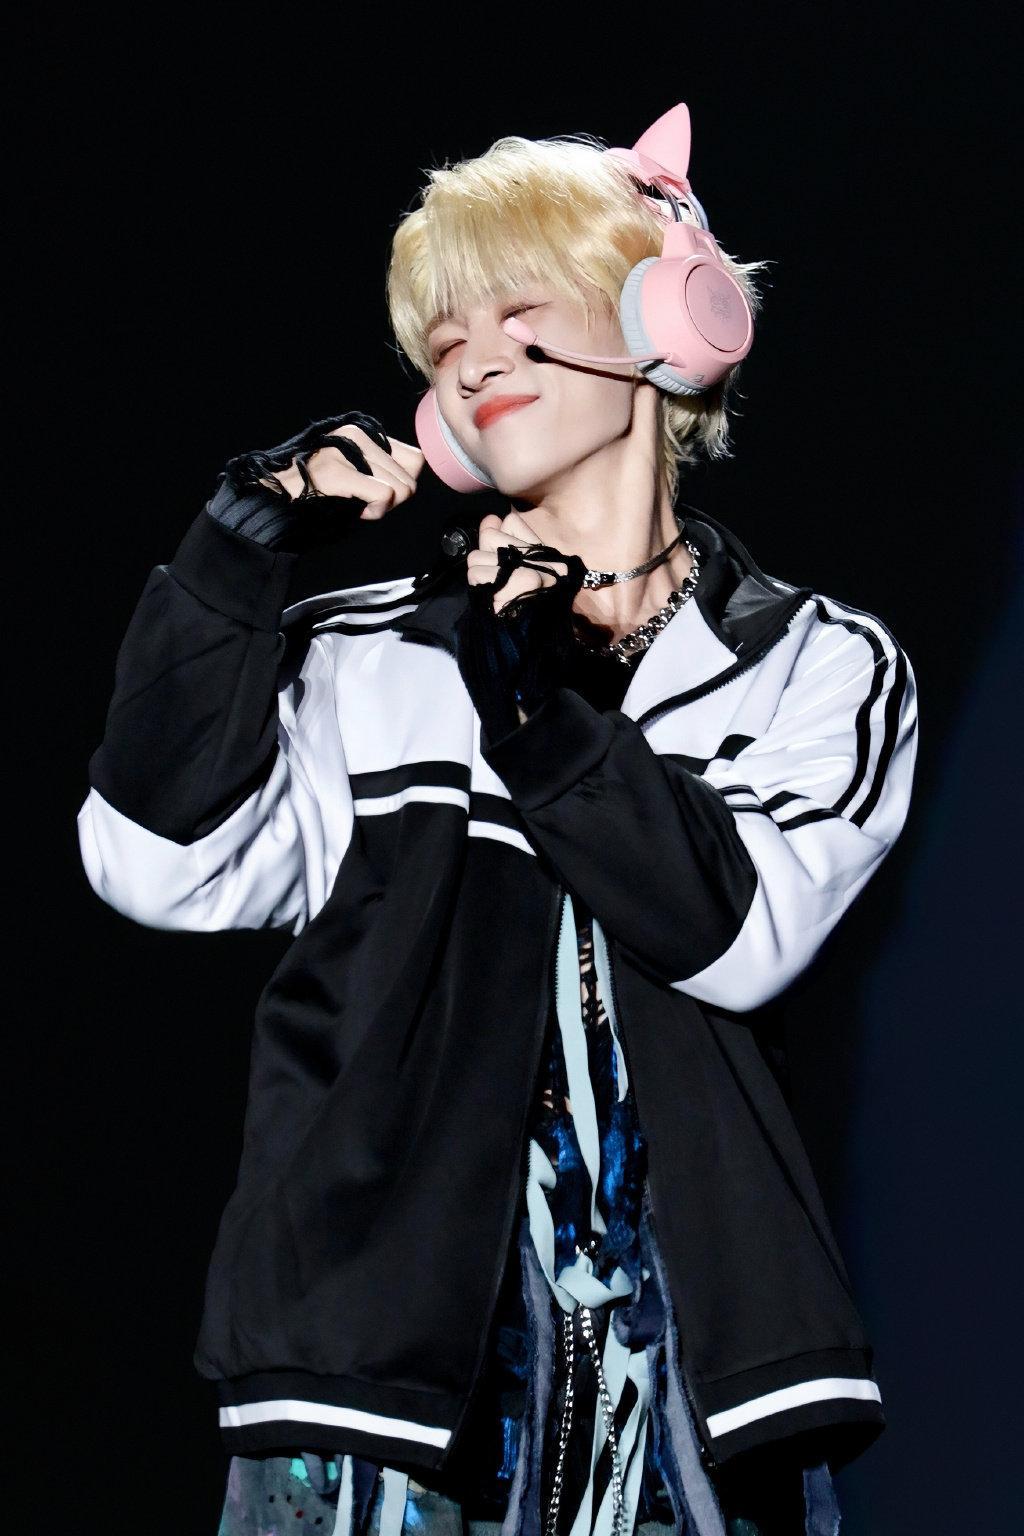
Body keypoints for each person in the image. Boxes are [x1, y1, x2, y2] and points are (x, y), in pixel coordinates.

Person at [77, 110, 919, 1536]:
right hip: (377, 1404)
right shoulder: (367, 654)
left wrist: (538, 707)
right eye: (442, 337)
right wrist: (232, 565)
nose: (471, 360)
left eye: (520, 312)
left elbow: (744, 938)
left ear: (670, 322)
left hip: (697, 1413)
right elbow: (151, 867)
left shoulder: (813, 663)